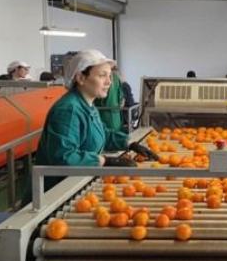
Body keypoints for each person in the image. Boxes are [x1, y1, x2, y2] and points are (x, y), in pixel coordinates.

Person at [34, 49, 155, 192]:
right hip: (56, 191)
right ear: (81, 78)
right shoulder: (69, 110)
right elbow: (64, 156)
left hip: (78, 182)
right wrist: (104, 161)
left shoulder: (87, 104)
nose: (109, 82)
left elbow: (101, 133)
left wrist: (130, 144)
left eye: (110, 76)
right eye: (102, 75)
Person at [94, 65, 124, 132]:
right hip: (116, 116)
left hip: (103, 115)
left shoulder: (102, 79)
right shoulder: (116, 78)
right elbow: (121, 99)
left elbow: (95, 98)